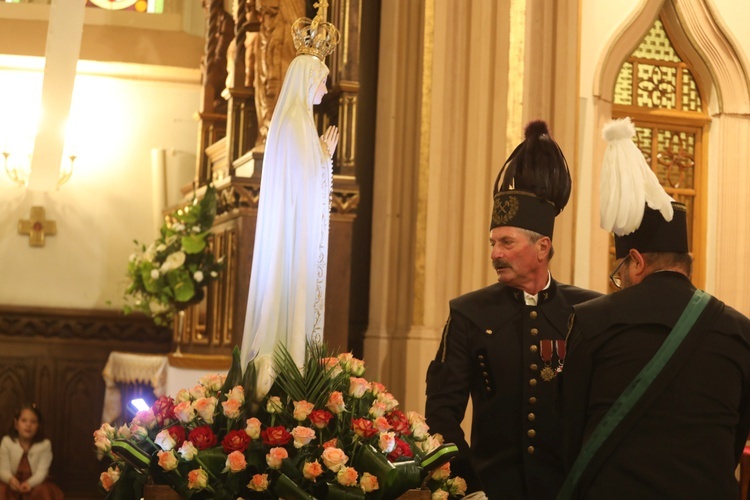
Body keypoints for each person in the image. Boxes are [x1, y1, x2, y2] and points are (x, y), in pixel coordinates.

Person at [559, 117, 750, 499]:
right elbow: (736, 437)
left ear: (636, 260)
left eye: (620, 271)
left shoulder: (593, 319)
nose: (621, 279)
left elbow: (568, 431)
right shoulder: (739, 330)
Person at [425, 121, 601, 499]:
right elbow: (441, 412)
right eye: (493, 242)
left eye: (506, 242)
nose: (495, 254)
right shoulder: (469, 313)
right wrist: (467, 483)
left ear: (542, 248)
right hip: (489, 490)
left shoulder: (588, 312)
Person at [240, 0, 340, 373]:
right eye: (322, 80)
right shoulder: (298, 124)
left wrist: (319, 158)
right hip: (293, 239)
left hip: (290, 234)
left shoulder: (292, 122)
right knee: (291, 307)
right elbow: (304, 185)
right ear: (308, 81)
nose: (326, 88)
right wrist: (323, 159)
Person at [0, 405, 64, 500]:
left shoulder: (45, 444)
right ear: (16, 424)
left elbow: (42, 472)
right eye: (24, 421)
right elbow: (3, 468)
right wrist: (10, 480)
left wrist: (29, 483)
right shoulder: (7, 442)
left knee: (44, 491)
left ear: (38, 425)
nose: (28, 425)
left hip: (36, 482)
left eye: (33, 422)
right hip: (12, 482)